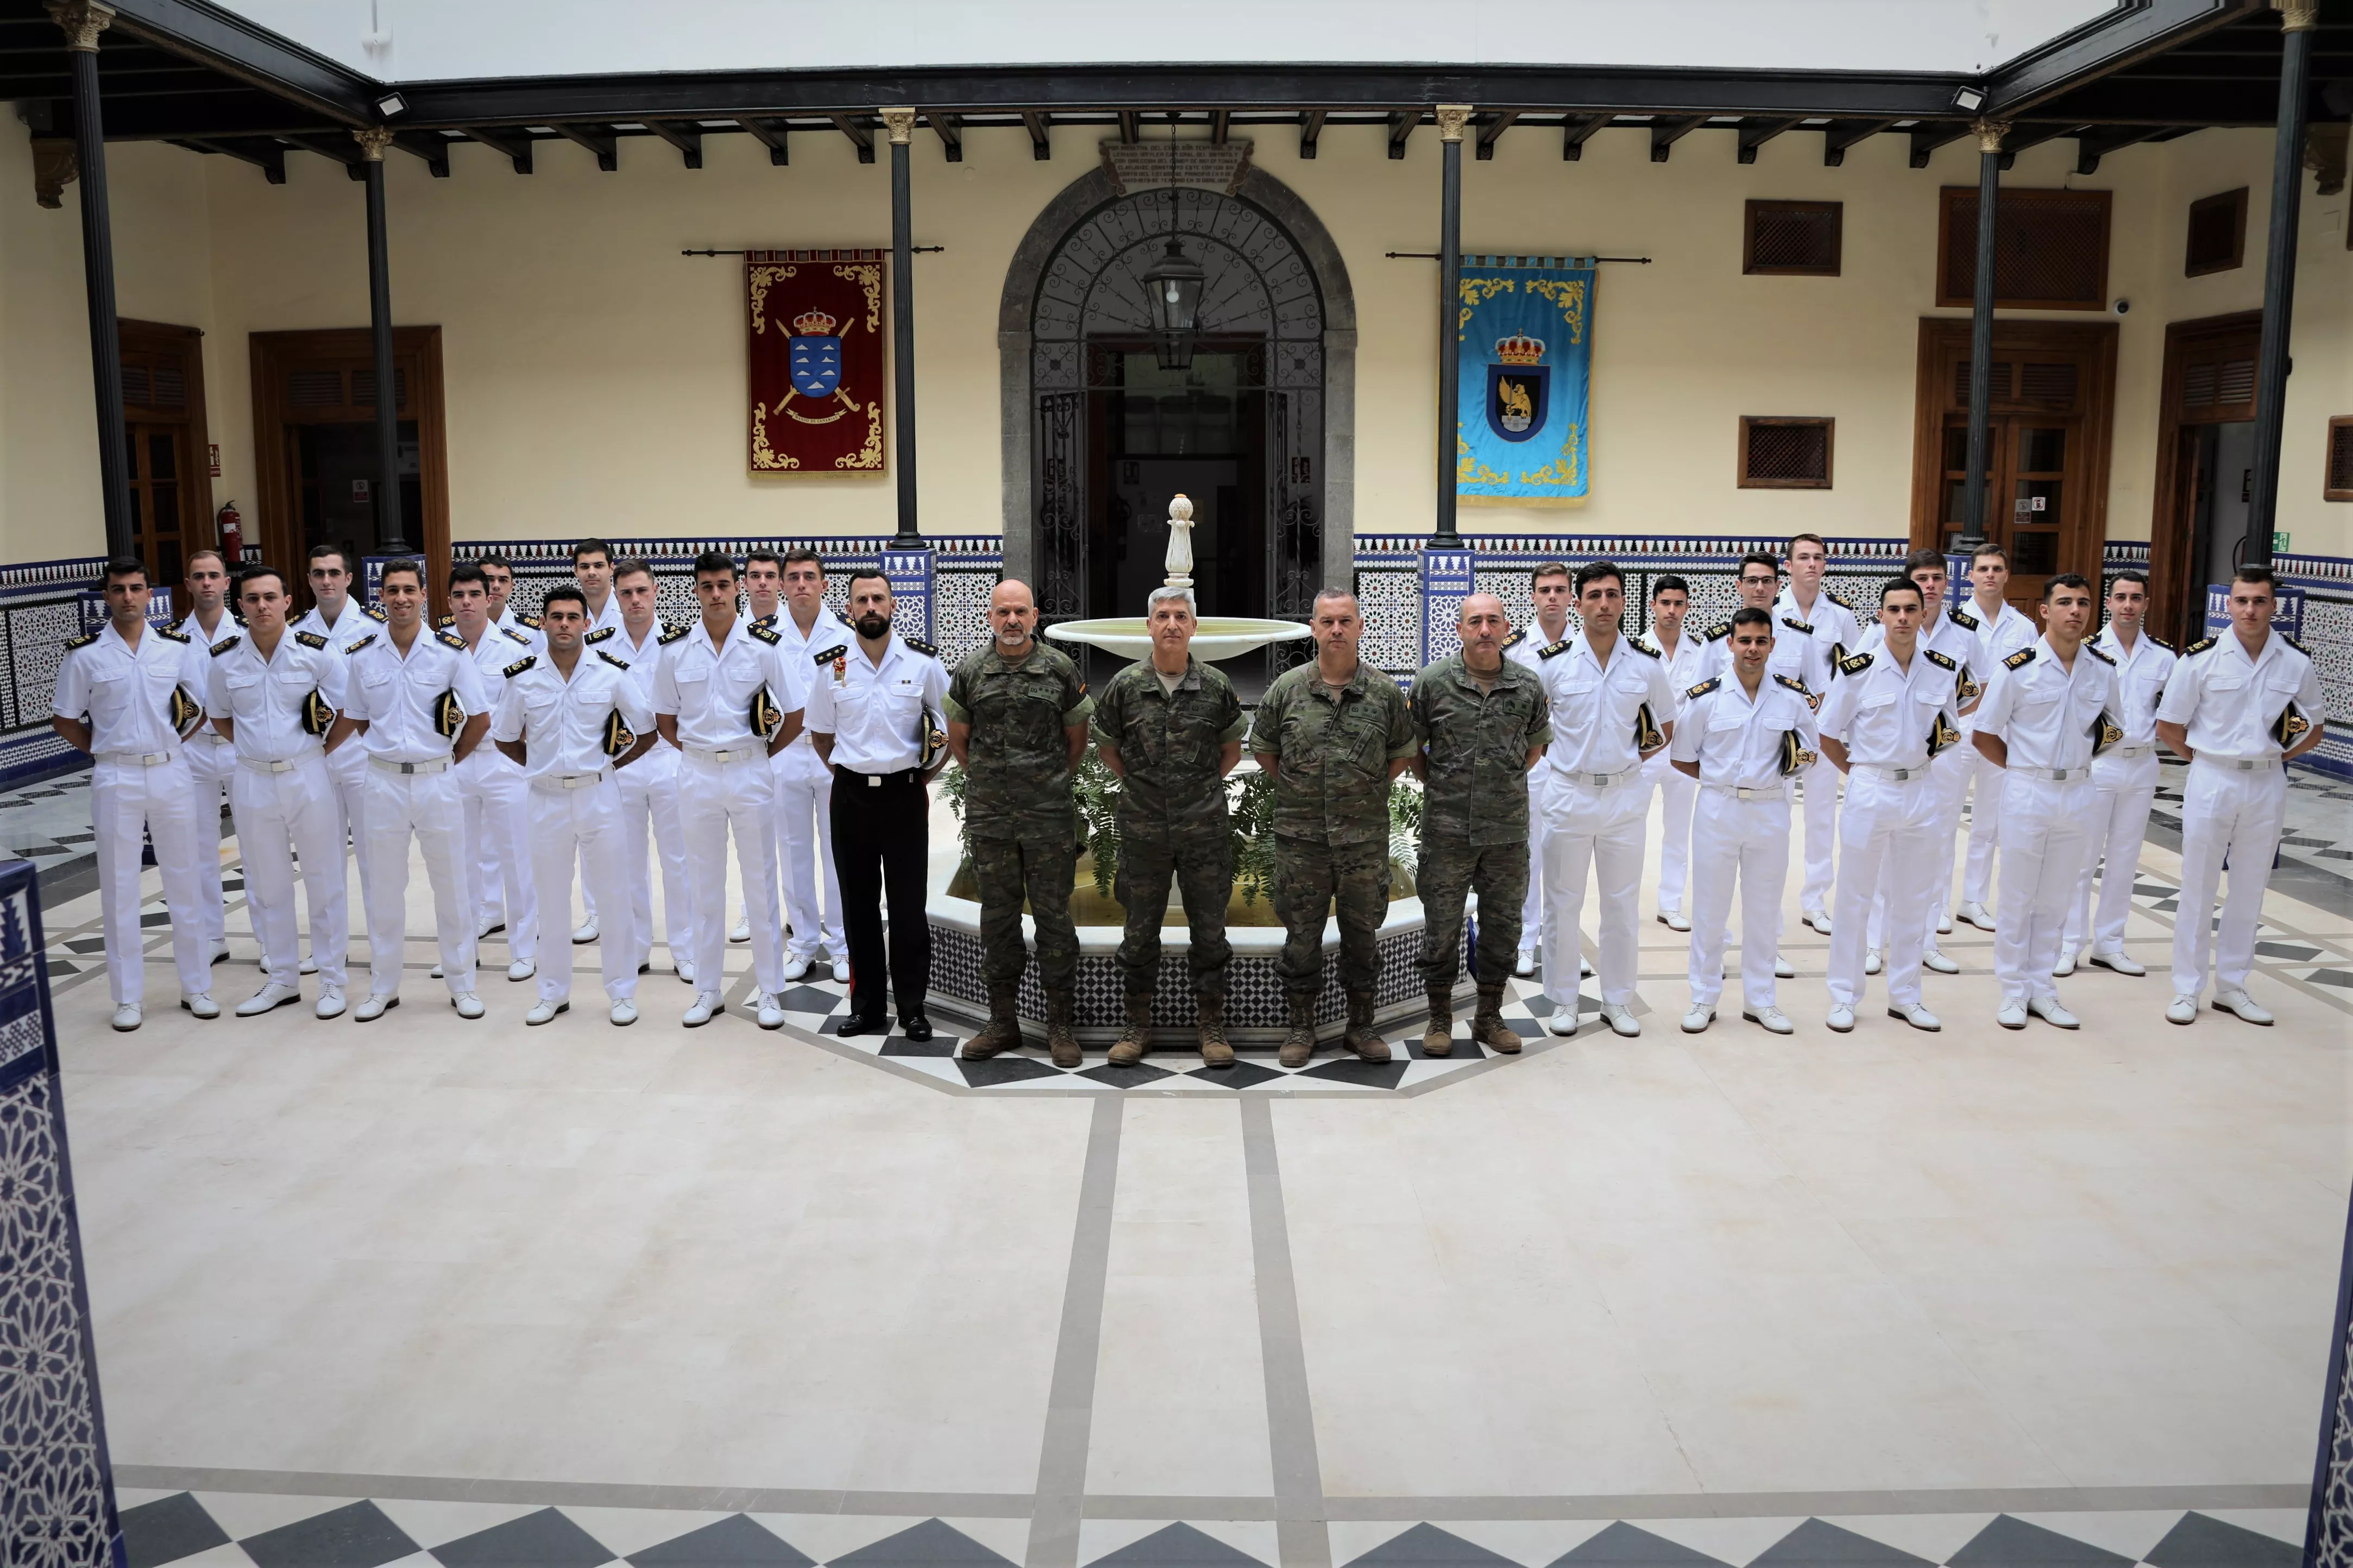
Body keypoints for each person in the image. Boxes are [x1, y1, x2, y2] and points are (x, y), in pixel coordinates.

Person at [1248, 588, 1415, 1067]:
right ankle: (1302, 1027)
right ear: (1314, 628)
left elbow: (1402, 754)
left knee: (1362, 936)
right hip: (1301, 842)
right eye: (1327, 621)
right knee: (1301, 937)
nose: (1336, 630)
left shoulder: (1383, 692)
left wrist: (1360, 791)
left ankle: (1361, 1027)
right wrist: (1302, 790)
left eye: (1345, 621)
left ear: (1360, 626)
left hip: (1362, 842)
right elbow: (1264, 749)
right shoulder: (1287, 689)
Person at [2155, 565, 2325, 1025]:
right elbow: (2169, 726)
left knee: (2250, 887)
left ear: (2275, 606)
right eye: (2242, 600)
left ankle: (2232, 985)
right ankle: (2187, 988)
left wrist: (2279, 755)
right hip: (2212, 776)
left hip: (2268, 781)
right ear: (2228, 605)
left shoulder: (2296, 661)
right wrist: (2206, 759)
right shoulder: (2201, 658)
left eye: (2260, 601)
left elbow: (2315, 726)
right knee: (2199, 885)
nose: (2250, 609)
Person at [51, 558, 213, 1031]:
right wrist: (102, 751)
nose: (128, 597)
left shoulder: (175, 648)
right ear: (107, 596)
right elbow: (65, 718)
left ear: (150, 595)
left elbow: (199, 707)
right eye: (119, 589)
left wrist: (169, 744)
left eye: (136, 588)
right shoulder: (85, 655)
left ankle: (196, 986)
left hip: (171, 772)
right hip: (116, 776)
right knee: (120, 886)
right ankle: (127, 997)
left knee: (184, 878)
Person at [325, 559, 491, 1022]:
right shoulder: (362, 655)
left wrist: (451, 759)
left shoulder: (449, 652)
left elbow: (479, 718)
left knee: (452, 885)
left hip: (437, 780)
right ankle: (383, 986)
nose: (400, 598)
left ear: (424, 595)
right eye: (392, 590)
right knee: (383, 886)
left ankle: (462, 984)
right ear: (381, 596)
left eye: (409, 590)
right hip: (381, 782)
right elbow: (356, 718)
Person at [1092, 586, 1247, 1068]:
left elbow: (1232, 751)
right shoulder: (1123, 686)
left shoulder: (1217, 686)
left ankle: (1211, 1025)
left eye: (1181, 616)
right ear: (1150, 625)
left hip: (1204, 829)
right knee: (1139, 931)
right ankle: (1136, 1025)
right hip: (1143, 831)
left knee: (1210, 930)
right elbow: (1108, 748)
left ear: (1195, 626)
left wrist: (1193, 788)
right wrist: (1148, 787)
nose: (1172, 624)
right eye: (1163, 615)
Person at [650, 551, 803, 1030]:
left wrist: (758, 753)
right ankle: (708, 990)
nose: (715, 594)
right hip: (696, 773)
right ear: (695, 590)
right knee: (704, 885)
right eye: (706, 586)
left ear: (736, 587)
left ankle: (772, 991)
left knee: (760, 883)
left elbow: (796, 712)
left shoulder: (764, 646)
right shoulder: (675, 650)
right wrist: (701, 752)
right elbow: (664, 720)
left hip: (750, 771)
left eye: (723, 585)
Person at [493, 584, 659, 1027]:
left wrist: (610, 764)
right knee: (549, 899)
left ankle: (621, 992)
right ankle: (552, 992)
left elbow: (647, 731)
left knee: (613, 897)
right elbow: (505, 737)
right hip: (545, 798)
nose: (564, 624)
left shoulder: (611, 674)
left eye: (572, 617)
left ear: (587, 624)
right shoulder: (523, 677)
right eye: (556, 617)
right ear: (543, 623)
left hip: (599, 795)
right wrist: (541, 766)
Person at [948, 580, 1094, 1067]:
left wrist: (1046, 783)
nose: (1012, 620)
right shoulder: (971, 671)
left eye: (1021, 612)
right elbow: (959, 740)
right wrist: (994, 785)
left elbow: (1077, 739)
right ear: (991, 617)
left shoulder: (1059, 668)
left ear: (1036, 616)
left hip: (1049, 818)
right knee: (998, 919)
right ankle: (1002, 1022)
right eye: (1003, 612)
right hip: (991, 818)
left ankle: (1060, 1025)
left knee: (1054, 918)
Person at [1533, 560, 1677, 1039]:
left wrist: (1630, 759)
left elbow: (1666, 725)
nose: (1603, 604)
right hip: (1568, 793)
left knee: (1620, 904)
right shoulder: (1552, 665)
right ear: (1578, 604)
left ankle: (1617, 999)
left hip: (1622, 799)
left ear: (1623, 602)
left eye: (1612, 595)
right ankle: (1564, 999)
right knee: (1562, 902)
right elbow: (1534, 727)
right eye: (1593, 595)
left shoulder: (1645, 663)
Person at [804, 569, 951, 1038]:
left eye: (878, 598)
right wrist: (851, 774)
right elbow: (822, 734)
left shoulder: (923, 663)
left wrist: (920, 776)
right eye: (862, 599)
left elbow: (947, 730)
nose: (870, 606)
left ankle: (912, 1008)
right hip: (849, 798)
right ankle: (866, 1006)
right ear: (850, 608)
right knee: (858, 906)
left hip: (905, 795)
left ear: (892, 606)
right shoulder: (832, 665)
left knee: (909, 906)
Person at [1816, 576, 1964, 1034]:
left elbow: (1949, 730)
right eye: (1894, 609)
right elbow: (1827, 734)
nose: (1903, 618)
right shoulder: (1858, 670)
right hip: (1871, 788)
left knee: (1914, 899)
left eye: (1911, 610)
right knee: (1855, 898)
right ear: (1880, 615)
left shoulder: (1942, 668)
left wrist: (1914, 764)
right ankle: (1844, 995)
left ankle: (1906, 996)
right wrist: (1862, 771)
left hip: (1921, 790)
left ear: (1924, 616)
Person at [1970, 572, 2117, 1030]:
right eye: (2066, 602)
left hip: (2078, 791)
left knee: (2058, 896)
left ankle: (2043, 988)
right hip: (2027, 789)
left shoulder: (2103, 669)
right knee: (2017, 894)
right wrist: (2022, 767)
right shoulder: (2018, 668)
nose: (2076, 611)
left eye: (2084, 603)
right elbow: (1984, 733)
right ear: (2045, 611)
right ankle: (2013, 990)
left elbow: (2112, 729)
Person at [206, 565, 352, 1019]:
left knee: (323, 879)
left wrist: (320, 749)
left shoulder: (315, 653)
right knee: (267, 883)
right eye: (252, 599)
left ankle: (331, 980)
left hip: (308, 773)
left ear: (288, 601)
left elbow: (351, 707)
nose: (262, 606)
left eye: (270, 597)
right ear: (241, 605)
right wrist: (256, 751)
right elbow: (219, 715)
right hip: (251, 779)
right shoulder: (224, 658)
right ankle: (283, 979)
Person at [1411, 591, 1550, 1057]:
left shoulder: (1528, 685)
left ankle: (1489, 1016)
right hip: (1446, 832)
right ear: (1461, 629)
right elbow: (1415, 751)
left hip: (1507, 835)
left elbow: (1535, 748)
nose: (1485, 630)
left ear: (1505, 627)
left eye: (1493, 621)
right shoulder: (1431, 683)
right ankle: (1439, 1017)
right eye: (1475, 621)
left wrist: (1499, 785)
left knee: (1503, 927)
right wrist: (1447, 786)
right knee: (1442, 927)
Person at [1671, 606, 1816, 1034]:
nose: (1753, 649)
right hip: (1719, 809)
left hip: (1772, 809)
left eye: (1761, 641)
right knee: (1711, 909)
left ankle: (1761, 1000)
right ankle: (1703, 997)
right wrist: (1724, 781)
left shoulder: (1792, 697)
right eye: (1745, 641)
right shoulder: (1706, 697)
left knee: (1764, 910)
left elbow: (1809, 751)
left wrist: (1776, 775)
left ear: (1772, 644)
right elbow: (1683, 756)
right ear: (1730, 644)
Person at [1697, 552, 1827, 980]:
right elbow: (1695, 703)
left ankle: (1767, 953)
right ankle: (1713, 958)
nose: (1759, 587)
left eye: (1767, 580)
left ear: (1779, 583)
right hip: (1725, 784)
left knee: (1767, 881)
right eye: (1751, 580)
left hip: (1776, 780)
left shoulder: (1799, 637)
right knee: (1715, 884)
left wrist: (1795, 756)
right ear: (1739, 585)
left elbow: (1814, 698)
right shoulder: (1719, 638)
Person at [1861, 549, 1979, 978]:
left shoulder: (1965, 633)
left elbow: (1974, 688)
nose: (1930, 585)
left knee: (1936, 848)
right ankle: (1875, 942)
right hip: (1886, 762)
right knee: (1881, 856)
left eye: (1937, 578)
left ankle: (1925, 940)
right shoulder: (1878, 633)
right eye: (1922, 578)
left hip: (1937, 760)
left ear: (1948, 584)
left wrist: (1939, 729)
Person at [2060, 571, 2176, 978]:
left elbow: (2173, 713)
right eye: (2121, 597)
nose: (2128, 605)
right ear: (2108, 603)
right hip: (2101, 762)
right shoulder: (2089, 651)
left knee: (2125, 858)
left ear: (2147, 603)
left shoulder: (2165, 657)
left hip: (2143, 764)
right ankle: (2068, 943)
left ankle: (2110, 943)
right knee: (2082, 857)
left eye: (2136, 598)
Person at [446, 563, 539, 980]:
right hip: (456, 761)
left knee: (517, 857)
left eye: (474, 594)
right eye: (459, 595)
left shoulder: (516, 647)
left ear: (490, 598)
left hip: (504, 760)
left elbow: (532, 708)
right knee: (458, 859)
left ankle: (524, 948)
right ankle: (463, 950)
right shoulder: (439, 647)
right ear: (448, 602)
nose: (467, 602)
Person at [769, 549, 856, 982]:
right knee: (793, 849)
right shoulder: (762, 635)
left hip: (831, 753)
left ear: (825, 584)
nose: (801, 584)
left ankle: (840, 943)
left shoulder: (844, 635)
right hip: (784, 753)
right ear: (782, 585)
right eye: (794, 577)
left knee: (837, 849)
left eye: (810, 577)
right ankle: (803, 942)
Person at [292, 544, 383, 961]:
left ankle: (383, 946)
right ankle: (329, 949)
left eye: (333, 572)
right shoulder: (294, 631)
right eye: (318, 573)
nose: (326, 580)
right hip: (315, 753)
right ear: (309, 580)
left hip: (363, 752)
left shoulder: (374, 626)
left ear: (349, 578)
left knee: (374, 859)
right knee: (320, 858)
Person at [608, 558, 695, 986]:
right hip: (622, 764)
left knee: (678, 860)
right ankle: (636, 947)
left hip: (669, 760)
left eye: (642, 591)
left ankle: (686, 948)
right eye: (626, 593)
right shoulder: (600, 644)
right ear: (616, 596)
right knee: (627, 862)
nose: (635, 600)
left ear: (656, 590)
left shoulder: (680, 641)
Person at [1949, 544, 2038, 933]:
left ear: (2006, 575)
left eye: (1997, 568)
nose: (1989, 574)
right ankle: (1936, 903)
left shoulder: (2024, 627)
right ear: (1969, 576)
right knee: (1944, 819)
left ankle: (1974, 899)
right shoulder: (1953, 623)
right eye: (1982, 568)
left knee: (1989, 822)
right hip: (1957, 731)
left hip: (2000, 734)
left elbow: (2029, 683)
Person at [1776, 534, 1861, 934]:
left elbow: (1857, 672)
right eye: (1803, 557)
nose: (1811, 563)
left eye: (1818, 557)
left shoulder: (1841, 617)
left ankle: (1814, 901)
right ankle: (1770, 900)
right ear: (1788, 565)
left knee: (1822, 817)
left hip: (1825, 730)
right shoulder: (1773, 612)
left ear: (1825, 565)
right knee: (1775, 817)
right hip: (1781, 731)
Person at [1505, 562, 1575, 978]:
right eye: (1545, 590)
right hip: (1530, 768)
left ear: (1572, 597)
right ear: (1533, 596)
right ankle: (1526, 938)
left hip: (1571, 770)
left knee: (1567, 858)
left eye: (1560, 589)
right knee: (1529, 854)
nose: (1552, 596)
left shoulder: (1589, 647)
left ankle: (1563, 942)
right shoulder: (1514, 649)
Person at [174, 548, 239, 967]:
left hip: (240, 747)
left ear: (227, 582)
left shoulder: (251, 632)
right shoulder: (173, 641)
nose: (207, 583)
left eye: (214, 575)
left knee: (257, 846)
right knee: (200, 848)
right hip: (194, 752)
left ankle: (271, 942)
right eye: (199, 576)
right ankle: (213, 936)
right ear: (189, 584)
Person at [723, 549, 790, 945]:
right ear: (743, 583)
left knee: (794, 842)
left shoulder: (792, 628)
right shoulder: (731, 629)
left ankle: (800, 917)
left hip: (788, 747)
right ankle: (751, 914)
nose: (762, 582)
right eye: (754, 575)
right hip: (747, 753)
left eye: (769, 575)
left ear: (779, 582)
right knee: (751, 842)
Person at [1634, 574, 1708, 936]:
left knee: (1678, 831)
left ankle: (1671, 904)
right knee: (1631, 828)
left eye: (1679, 603)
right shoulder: (1636, 650)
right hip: (1646, 752)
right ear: (1653, 606)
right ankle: (1626, 902)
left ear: (1686, 607)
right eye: (1665, 603)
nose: (1672, 610)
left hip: (1684, 754)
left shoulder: (1701, 652)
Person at [564, 537, 626, 946]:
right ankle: (595, 912)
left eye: (598, 565)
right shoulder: (567, 615)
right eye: (583, 566)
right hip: (590, 749)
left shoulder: (631, 610)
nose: (591, 572)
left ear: (611, 568)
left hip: (638, 743)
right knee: (591, 837)